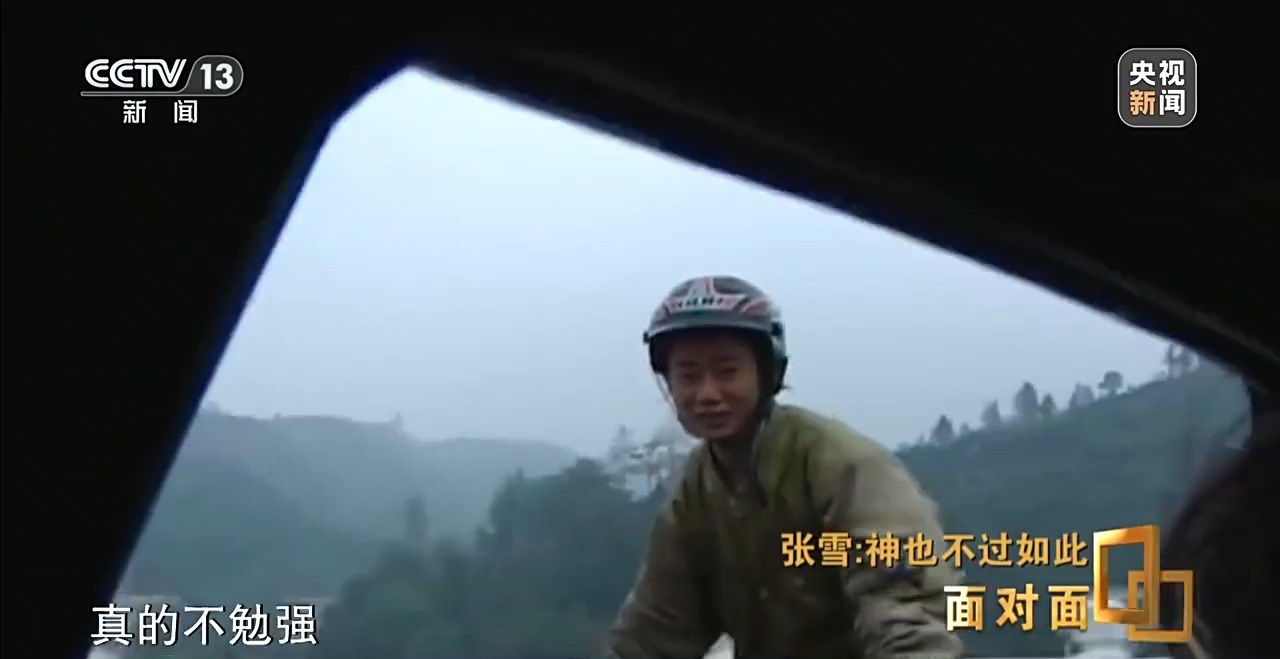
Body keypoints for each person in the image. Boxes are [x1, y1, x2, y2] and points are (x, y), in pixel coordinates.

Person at [608, 275, 962, 659]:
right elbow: (655, 630)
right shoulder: (697, 490)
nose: (706, 394)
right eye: (688, 376)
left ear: (769, 373)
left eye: (727, 371)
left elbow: (907, 606)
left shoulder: (841, 464)